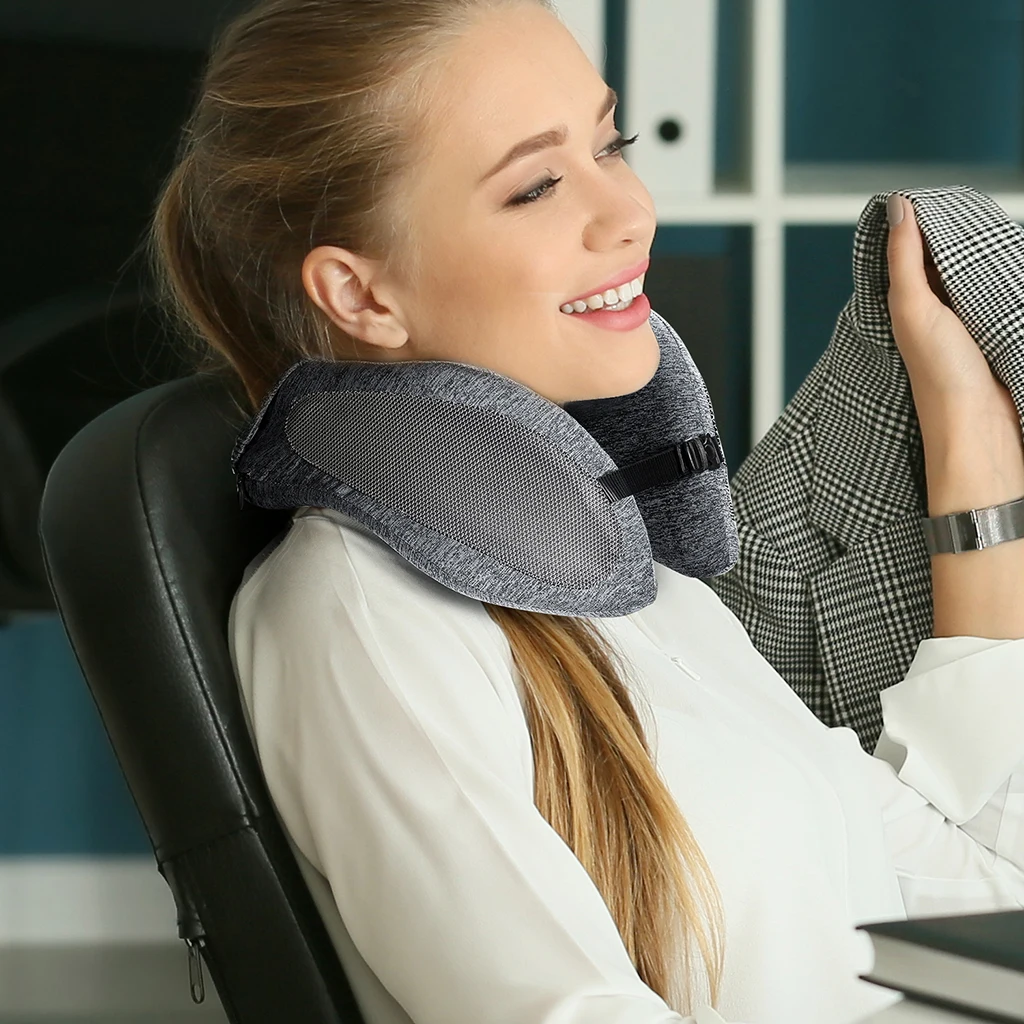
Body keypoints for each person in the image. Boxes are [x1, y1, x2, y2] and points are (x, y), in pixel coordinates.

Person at [149, 2, 1024, 1022]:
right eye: (536, 186)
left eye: (611, 145)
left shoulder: (631, 582)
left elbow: (980, 894)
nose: (630, 213)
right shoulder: (362, 621)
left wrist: (967, 439)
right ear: (361, 295)